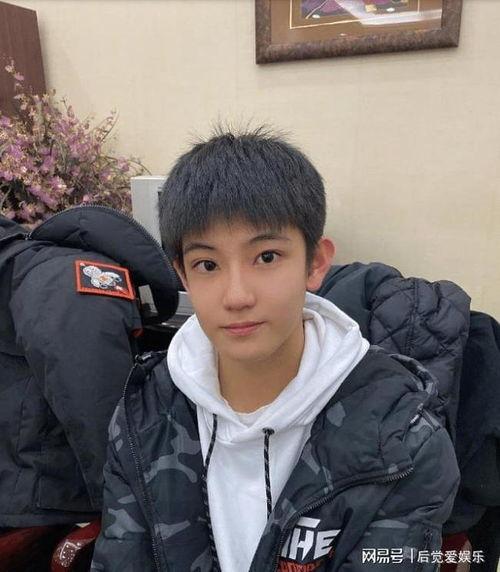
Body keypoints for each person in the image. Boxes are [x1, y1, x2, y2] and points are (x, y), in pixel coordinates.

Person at [91, 128, 460, 571]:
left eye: (266, 257)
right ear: (183, 276)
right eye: (207, 264)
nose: (237, 296)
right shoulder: (144, 411)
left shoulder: (401, 438)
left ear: (315, 263)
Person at [0, 205, 178, 527]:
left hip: (34, 502)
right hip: (45, 505)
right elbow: (102, 419)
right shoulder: (67, 278)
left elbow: (94, 410)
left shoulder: (45, 274)